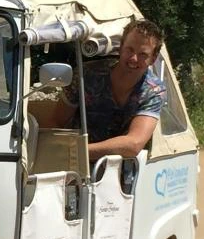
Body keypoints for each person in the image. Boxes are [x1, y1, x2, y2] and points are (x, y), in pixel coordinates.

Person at [50, 19, 166, 160]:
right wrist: (58, 152)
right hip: (73, 165)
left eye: (143, 54)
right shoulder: (85, 75)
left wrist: (79, 151)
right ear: (121, 47)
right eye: (130, 50)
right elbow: (56, 122)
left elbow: (134, 144)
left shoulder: (153, 91)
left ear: (153, 59)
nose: (134, 59)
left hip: (119, 170)